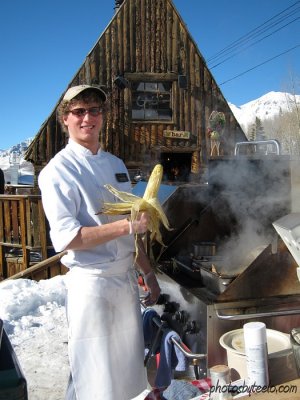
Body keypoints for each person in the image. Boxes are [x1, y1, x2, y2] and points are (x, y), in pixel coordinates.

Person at [38, 84, 161, 400]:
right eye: (79, 111)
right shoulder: (57, 172)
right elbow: (68, 239)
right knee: (96, 380)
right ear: (65, 119)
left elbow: (132, 232)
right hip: (92, 288)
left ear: (103, 116)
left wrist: (147, 273)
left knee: (129, 375)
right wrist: (124, 226)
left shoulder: (116, 165)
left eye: (94, 110)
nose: (87, 118)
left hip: (125, 285)